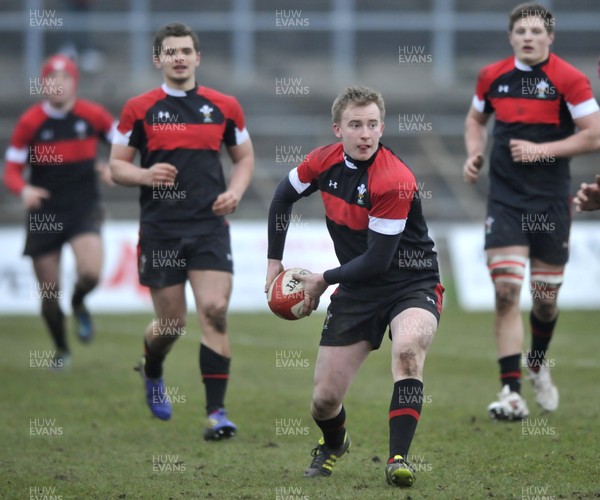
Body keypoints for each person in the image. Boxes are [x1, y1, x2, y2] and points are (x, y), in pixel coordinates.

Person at [265, 86, 443, 487]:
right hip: (359, 291)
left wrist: (322, 280)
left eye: (373, 125)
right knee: (325, 401)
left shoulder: (394, 179)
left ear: (382, 127)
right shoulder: (321, 161)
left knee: (409, 353)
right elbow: (281, 198)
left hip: (411, 284)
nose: (365, 134)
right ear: (337, 129)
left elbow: (378, 260)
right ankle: (334, 443)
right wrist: (274, 263)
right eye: (355, 125)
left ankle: (398, 458)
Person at [109, 23, 254, 439]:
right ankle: (152, 368)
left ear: (197, 57)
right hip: (161, 231)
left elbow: (244, 158)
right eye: (170, 52)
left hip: (209, 226)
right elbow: (115, 166)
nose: (179, 57)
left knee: (214, 311)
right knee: (171, 324)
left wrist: (236, 190)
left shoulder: (224, 106)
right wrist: (144, 173)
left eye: (186, 51)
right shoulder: (139, 108)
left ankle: (216, 414)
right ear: (158, 59)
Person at [463, 2, 600, 420]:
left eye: (537, 31)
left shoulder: (570, 80)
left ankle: (537, 362)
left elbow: (594, 135)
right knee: (506, 291)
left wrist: (542, 150)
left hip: (551, 202)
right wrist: (474, 154)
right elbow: (474, 119)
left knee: (544, 301)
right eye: (521, 30)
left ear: (550, 37)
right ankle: (510, 391)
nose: (528, 37)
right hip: (504, 199)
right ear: (510, 36)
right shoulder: (492, 76)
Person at [3, 54, 115, 368]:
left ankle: (79, 303)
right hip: (45, 212)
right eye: (52, 79)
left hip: (83, 208)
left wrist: (114, 168)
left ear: (74, 83)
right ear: (43, 83)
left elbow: (125, 143)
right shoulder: (30, 123)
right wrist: (23, 189)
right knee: (49, 293)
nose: (58, 84)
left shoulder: (93, 116)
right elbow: (10, 169)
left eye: (65, 78)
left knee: (91, 273)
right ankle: (62, 349)